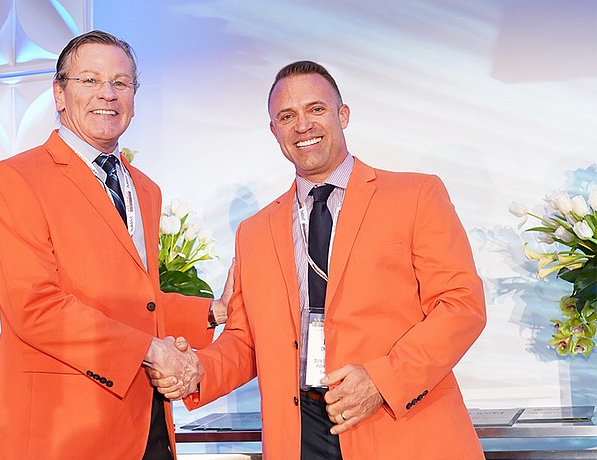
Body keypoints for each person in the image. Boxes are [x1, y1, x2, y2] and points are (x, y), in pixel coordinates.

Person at [153, 61, 486, 459]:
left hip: (397, 421)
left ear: (343, 115)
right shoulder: (254, 231)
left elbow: (461, 306)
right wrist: (196, 370)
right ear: (274, 131)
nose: (302, 125)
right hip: (298, 433)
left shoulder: (415, 195)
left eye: (316, 109)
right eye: (287, 116)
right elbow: (245, 341)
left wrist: (382, 381)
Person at [0, 30, 230, 460]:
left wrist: (214, 310)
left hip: (145, 424)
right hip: (61, 433)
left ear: (134, 97)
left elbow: (138, 303)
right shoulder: (14, 179)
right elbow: (34, 307)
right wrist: (151, 351)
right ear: (59, 93)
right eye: (90, 80)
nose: (107, 94)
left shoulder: (145, 188)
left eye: (120, 82)